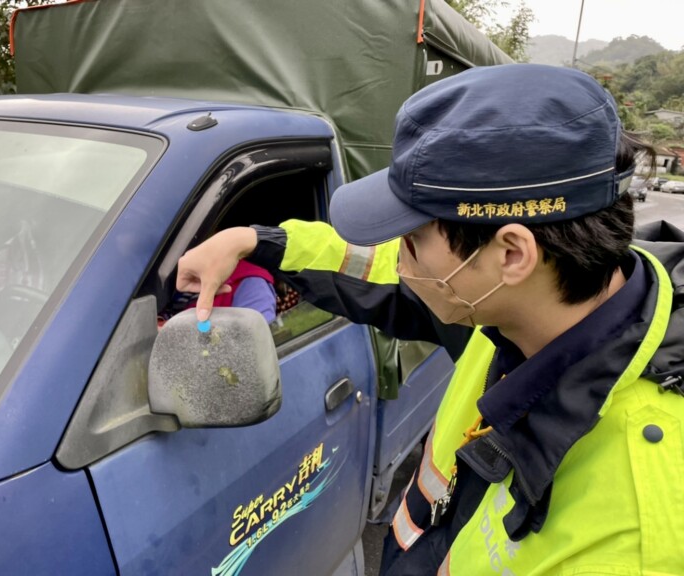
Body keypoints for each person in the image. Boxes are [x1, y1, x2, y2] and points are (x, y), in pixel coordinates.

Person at [176, 64, 684, 575]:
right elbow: (369, 269)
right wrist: (255, 242)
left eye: (413, 241)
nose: (395, 259)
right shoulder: (525, 309)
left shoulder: (632, 539)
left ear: (512, 254)